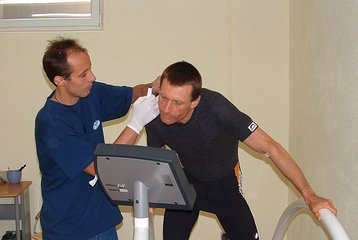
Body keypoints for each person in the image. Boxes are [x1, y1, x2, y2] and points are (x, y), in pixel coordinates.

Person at [145, 61, 337, 240]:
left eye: (178, 102)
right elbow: (158, 159)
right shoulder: (154, 113)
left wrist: (310, 196)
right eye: (164, 97)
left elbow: (270, 147)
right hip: (187, 183)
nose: (167, 109)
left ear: (194, 102)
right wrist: (154, 193)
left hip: (225, 185)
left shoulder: (217, 108)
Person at [35, 37, 159, 240]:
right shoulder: (52, 123)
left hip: (101, 220)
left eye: (90, 69)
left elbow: (130, 94)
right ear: (60, 80)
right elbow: (104, 167)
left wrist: (152, 88)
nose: (92, 77)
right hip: (70, 228)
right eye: (83, 74)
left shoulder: (90, 92)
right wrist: (136, 124)